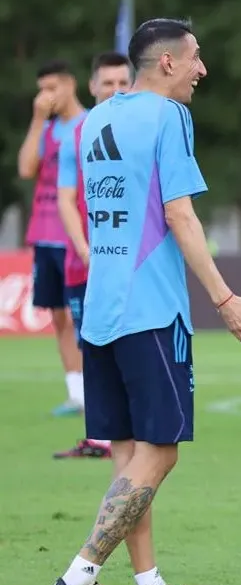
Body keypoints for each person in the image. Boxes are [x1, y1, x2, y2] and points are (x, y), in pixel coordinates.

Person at [46, 18, 241, 585]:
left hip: (102, 307)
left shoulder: (97, 119)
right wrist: (224, 298)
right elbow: (180, 215)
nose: (202, 69)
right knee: (161, 453)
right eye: (195, 57)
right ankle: (78, 579)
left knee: (130, 460)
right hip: (149, 308)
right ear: (168, 62)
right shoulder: (170, 116)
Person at [53, 52, 133, 460]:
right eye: (108, 83)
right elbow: (65, 199)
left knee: (128, 345)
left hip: (128, 262)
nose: (116, 91)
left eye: (123, 83)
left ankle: (119, 433)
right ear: (93, 87)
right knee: (92, 346)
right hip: (84, 263)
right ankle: (102, 434)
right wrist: (86, 251)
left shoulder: (141, 129)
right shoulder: (78, 134)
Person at [17, 60, 87, 416]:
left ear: (70, 85)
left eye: (52, 88)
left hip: (75, 236)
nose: (46, 96)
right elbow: (26, 168)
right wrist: (37, 119)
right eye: (41, 90)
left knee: (80, 316)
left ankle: (96, 388)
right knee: (58, 317)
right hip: (43, 235)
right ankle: (76, 393)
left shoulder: (89, 124)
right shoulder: (44, 130)